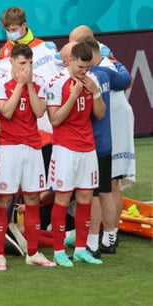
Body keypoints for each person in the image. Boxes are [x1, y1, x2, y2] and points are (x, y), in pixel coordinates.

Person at [0, 43, 56, 270]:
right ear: (12, 63)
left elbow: (39, 112)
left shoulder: (39, 82)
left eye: (29, 63)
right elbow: (6, 111)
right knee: (4, 199)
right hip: (9, 148)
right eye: (21, 64)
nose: (26, 68)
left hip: (33, 147)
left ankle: (33, 252)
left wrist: (29, 85)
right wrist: (19, 84)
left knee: (33, 199)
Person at [69, 26, 135, 252]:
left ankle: (92, 241)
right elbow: (125, 80)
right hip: (106, 140)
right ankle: (109, 238)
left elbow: (91, 113)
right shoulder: (106, 72)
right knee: (108, 188)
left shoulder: (88, 78)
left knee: (93, 193)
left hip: (90, 143)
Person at [46, 42, 106, 267]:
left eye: (87, 67)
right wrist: (73, 96)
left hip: (87, 147)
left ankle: (81, 248)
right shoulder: (57, 82)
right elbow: (55, 119)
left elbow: (100, 114)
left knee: (86, 199)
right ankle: (59, 250)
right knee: (62, 199)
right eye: (81, 67)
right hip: (65, 149)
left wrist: (95, 92)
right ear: (70, 61)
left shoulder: (92, 80)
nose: (84, 72)